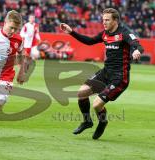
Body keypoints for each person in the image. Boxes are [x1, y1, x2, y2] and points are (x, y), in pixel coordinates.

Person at [60, 8, 144, 139]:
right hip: (105, 72)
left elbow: (137, 45)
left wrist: (136, 51)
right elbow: (89, 41)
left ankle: (103, 122)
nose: (104, 22)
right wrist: (71, 32)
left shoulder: (125, 33)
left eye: (107, 20)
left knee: (97, 104)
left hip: (119, 77)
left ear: (115, 20)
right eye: (103, 19)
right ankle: (87, 121)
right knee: (81, 93)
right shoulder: (105, 34)